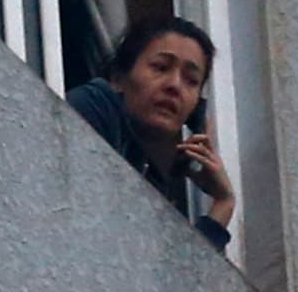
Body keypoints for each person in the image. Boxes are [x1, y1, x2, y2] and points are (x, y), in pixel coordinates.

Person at [66, 15, 233, 251]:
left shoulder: (152, 181)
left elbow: (182, 281)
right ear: (118, 78)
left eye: (191, 80)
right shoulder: (94, 105)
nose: (174, 85)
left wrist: (224, 203)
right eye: (161, 68)